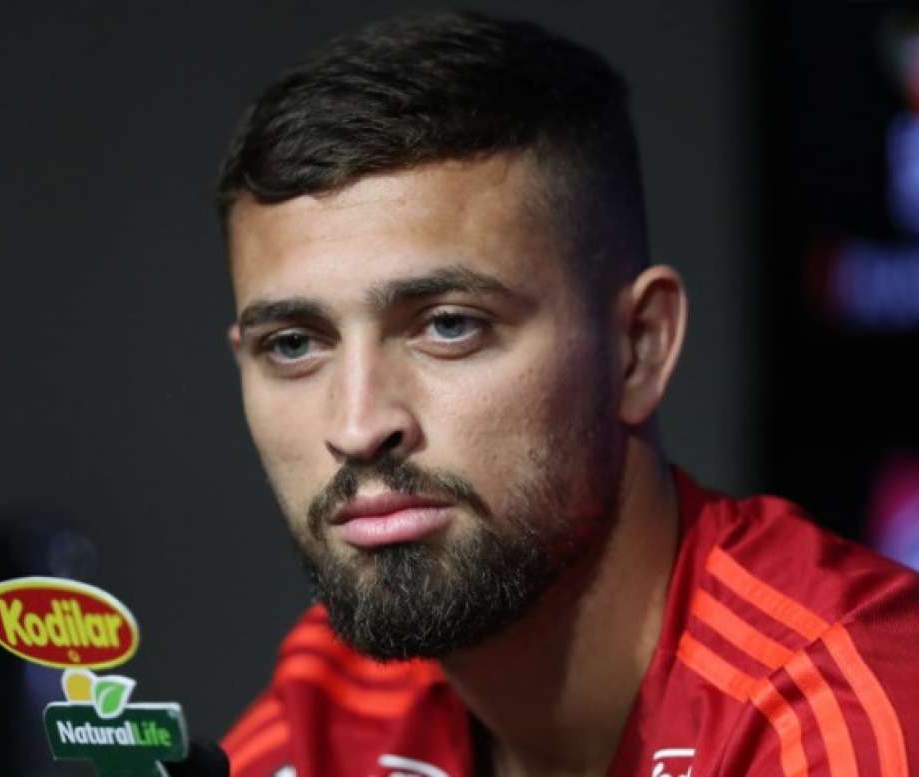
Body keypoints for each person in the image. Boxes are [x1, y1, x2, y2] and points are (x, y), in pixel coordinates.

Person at [204, 10, 919, 777]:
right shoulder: (334, 705)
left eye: (449, 326)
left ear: (639, 348)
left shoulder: (844, 709)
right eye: (294, 344)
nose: (357, 425)